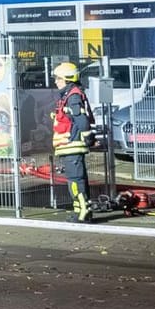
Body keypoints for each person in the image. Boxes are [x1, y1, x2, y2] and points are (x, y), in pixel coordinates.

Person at [50, 61, 96, 222]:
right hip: (69, 145)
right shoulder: (70, 95)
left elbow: (81, 119)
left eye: (58, 78)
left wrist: (88, 137)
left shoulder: (73, 96)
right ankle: (81, 210)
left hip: (72, 145)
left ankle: (82, 213)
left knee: (75, 180)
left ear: (67, 79)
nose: (56, 81)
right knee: (77, 179)